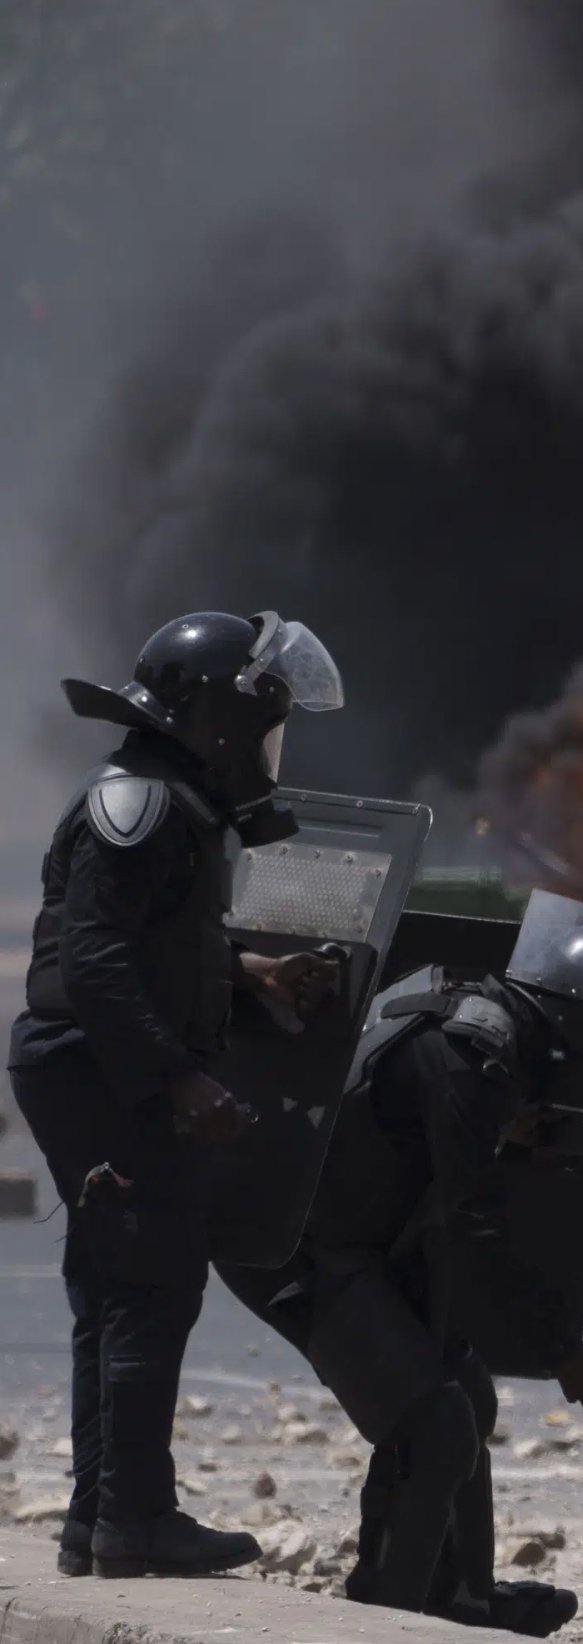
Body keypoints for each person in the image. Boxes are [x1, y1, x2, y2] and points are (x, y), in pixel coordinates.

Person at [10, 611, 347, 1577]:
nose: (267, 746)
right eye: (264, 721)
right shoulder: (145, 805)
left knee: (114, 1292)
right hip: (101, 1065)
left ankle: (98, 1520)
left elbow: (159, 943)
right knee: (152, 1286)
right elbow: (100, 958)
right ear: (218, 719)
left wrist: (255, 975)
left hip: (84, 1063)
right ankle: (135, 1524)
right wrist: (177, 1079)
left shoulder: (161, 798)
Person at [219, 906, 583, 1632]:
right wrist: (561, 1352)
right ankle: (386, 1618)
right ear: (580, 1025)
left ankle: (461, 1601)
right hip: (303, 1251)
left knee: (462, 1398)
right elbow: (472, 1227)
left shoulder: (478, 1024)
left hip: (353, 1236)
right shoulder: (475, 1054)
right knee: (436, 1429)